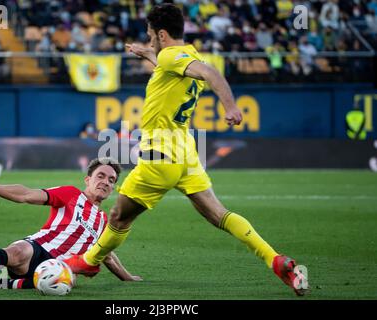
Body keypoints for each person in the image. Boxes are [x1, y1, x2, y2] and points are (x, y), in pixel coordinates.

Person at [64, 4, 309, 296]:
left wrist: (230, 106)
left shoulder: (171, 56)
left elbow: (210, 74)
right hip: (186, 153)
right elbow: (178, 73)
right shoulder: (186, 55)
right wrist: (149, 54)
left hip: (159, 154)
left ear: (162, 34)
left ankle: (89, 262)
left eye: (150, 34)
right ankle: (275, 259)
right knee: (219, 214)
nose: (149, 38)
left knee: (118, 217)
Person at [0, 158, 142, 290]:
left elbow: (107, 254)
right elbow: (26, 195)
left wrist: (127, 278)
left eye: (111, 180)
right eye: (100, 176)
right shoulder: (71, 194)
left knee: (64, 282)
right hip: (38, 248)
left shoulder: (104, 221)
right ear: (87, 180)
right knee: (20, 251)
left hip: (59, 268)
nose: (105, 182)